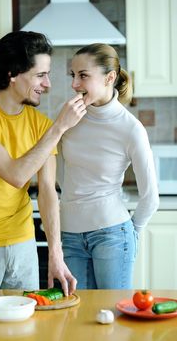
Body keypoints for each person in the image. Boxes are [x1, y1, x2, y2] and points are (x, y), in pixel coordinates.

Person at [0, 31, 87, 296]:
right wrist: (59, 127)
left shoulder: (41, 125)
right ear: (12, 74)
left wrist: (55, 253)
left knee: (25, 330)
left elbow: (48, 190)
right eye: (40, 75)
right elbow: (15, 174)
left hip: (23, 242)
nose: (47, 84)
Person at [57, 43, 159, 289]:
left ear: (109, 77)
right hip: (69, 234)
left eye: (83, 75)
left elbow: (150, 197)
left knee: (112, 316)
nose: (74, 84)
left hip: (112, 234)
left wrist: (131, 233)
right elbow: (60, 174)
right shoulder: (68, 116)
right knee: (76, 317)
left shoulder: (131, 128)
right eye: (73, 75)